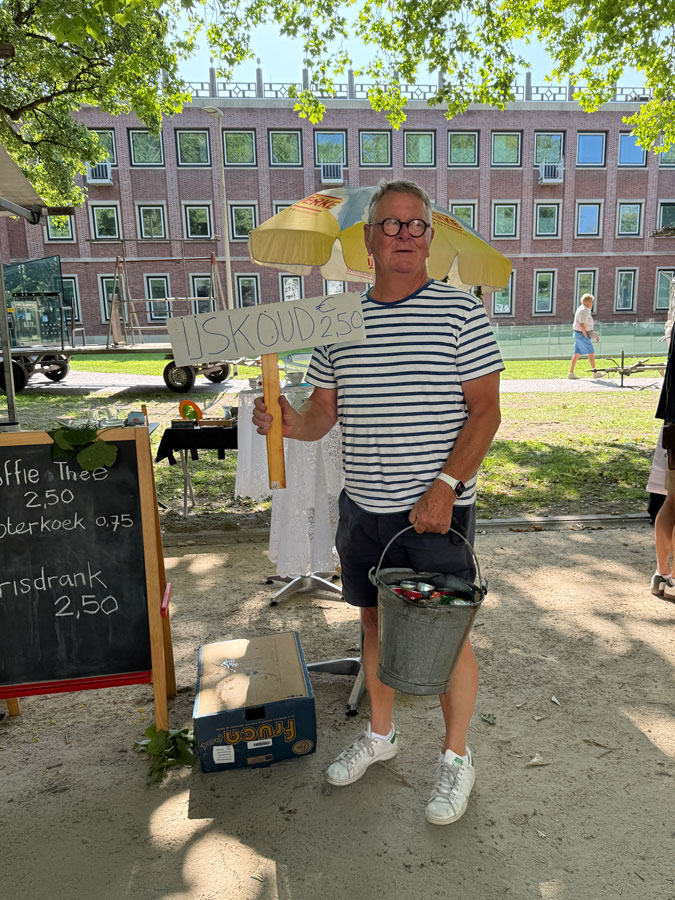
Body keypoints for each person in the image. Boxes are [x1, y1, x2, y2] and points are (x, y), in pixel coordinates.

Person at [253, 179, 503, 825]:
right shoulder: (338, 322)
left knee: (445, 638)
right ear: (367, 239)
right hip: (362, 507)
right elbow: (322, 414)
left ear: (429, 237)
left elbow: (486, 413)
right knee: (372, 624)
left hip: (435, 513)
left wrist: (445, 486)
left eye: (414, 225)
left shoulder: (461, 313)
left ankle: (456, 758)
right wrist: (288, 420)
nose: (402, 235)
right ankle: (381, 736)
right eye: (389, 224)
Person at [568, 293, 598, 379]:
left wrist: (593, 333)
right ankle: (595, 373)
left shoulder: (582, 308)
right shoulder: (584, 310)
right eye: (591, 302)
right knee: (591, 353)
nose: (592, 303)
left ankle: (571, 373)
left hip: (578, 333)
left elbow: (585, 324)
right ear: (586, 302)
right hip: (581, 334)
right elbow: (582, 324)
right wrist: (585, 335)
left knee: (577, 353)